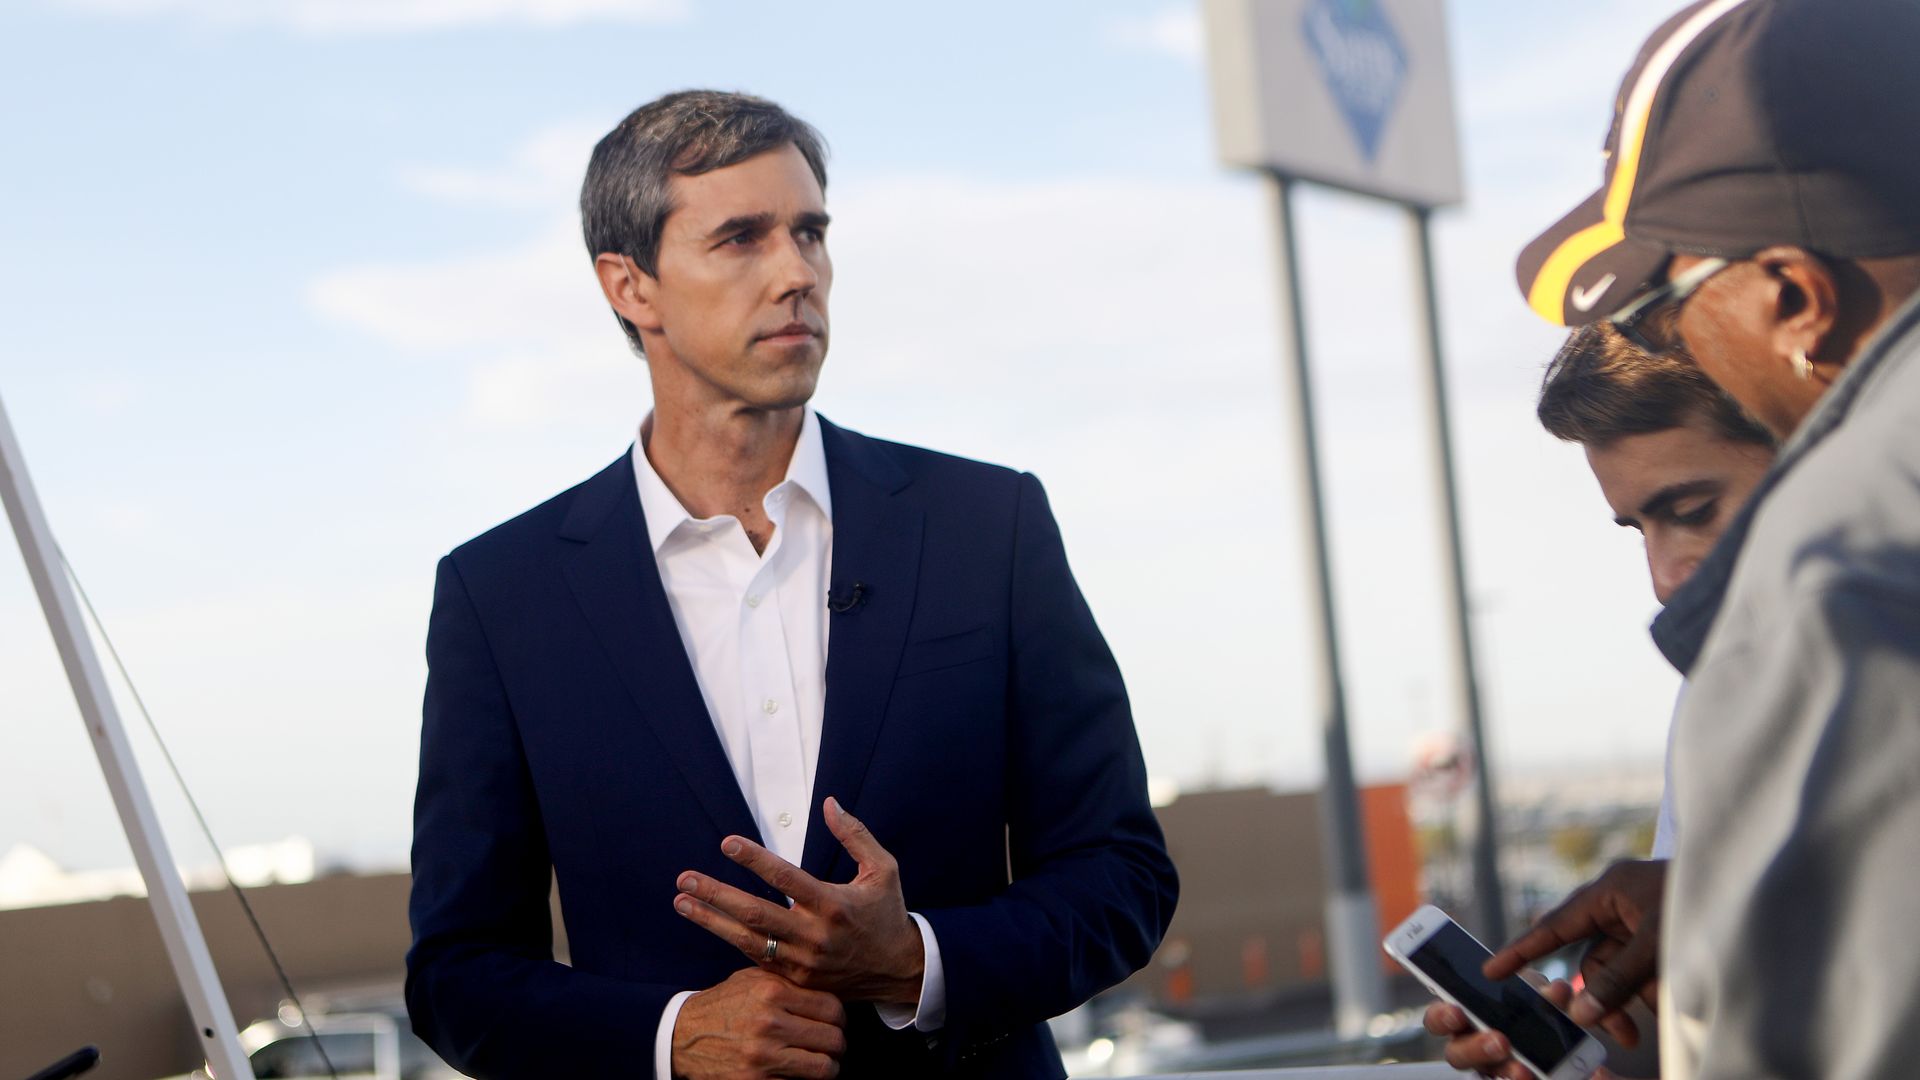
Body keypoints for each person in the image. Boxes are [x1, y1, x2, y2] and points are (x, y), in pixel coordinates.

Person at [404, 90, 1178, 1080]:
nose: (797, 273)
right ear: (630, 285)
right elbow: (457, 974)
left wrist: (918, 964)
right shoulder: (503, 597)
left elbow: (1121, 873)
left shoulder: (988, 526)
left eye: (810, 233)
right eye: (742, 239)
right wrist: (672, 1036)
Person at [1511, 1, 1920, 1075]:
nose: (1671, 335)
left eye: (1671, 295)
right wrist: (1721, 912)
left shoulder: (1844, 573)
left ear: (1795, 298)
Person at [1424, 324, 1774, 1078]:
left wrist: (1729, 910)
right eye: (1638, 529)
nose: (1664, 579)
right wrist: (1590, 1043)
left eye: (1693, 511)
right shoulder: (1713, 691)